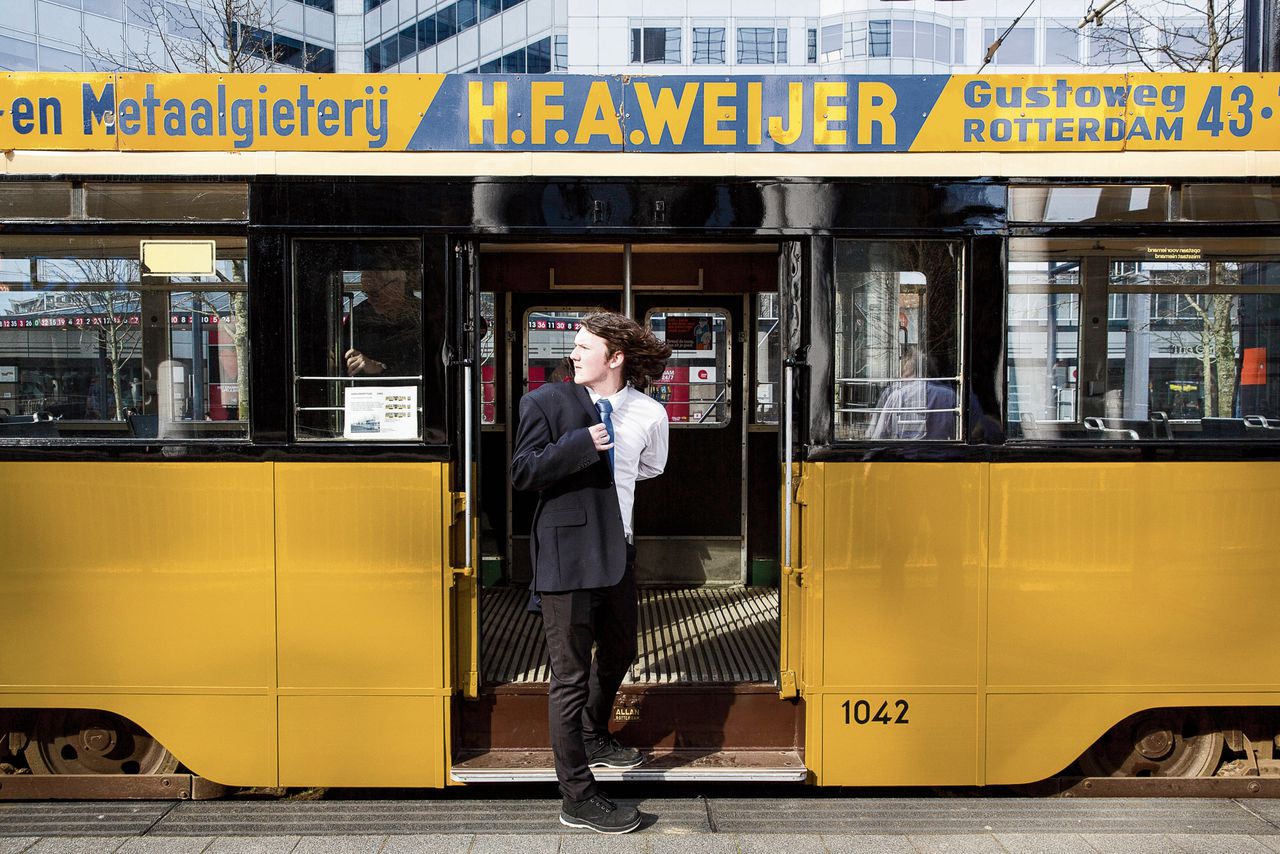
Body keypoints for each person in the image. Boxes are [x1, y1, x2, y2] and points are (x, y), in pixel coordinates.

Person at [510, 311, 672, 835]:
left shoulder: (649, 413)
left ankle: (594, 732)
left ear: (615, 358)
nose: (572, 355)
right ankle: (577, 797)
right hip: (567, 555)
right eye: (573, 346)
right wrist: (582, 445)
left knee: (622, 649)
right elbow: (523, 472)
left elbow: (651, 469)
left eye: (583, 347)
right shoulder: (545, 401)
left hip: (616, 551)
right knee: (570, 676)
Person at [344, 269, 421, 378]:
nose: (369, 300)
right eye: (366, 294)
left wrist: (381, 368)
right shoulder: (359, 316)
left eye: (374, 293)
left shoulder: (421, 315)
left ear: (397, 285)